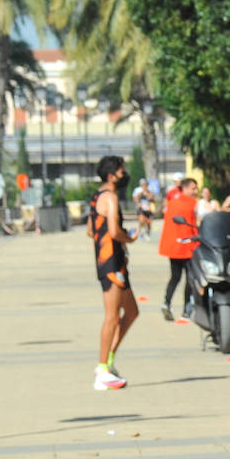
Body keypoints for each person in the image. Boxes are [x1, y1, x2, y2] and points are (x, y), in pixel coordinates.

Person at [89, 155, 137, 390]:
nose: (123, 174)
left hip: (114, 261)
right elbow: (114, 231)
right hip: (110, 263)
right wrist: (129, 238)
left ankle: (108, 360)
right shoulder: (110, 197)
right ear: (111, 175)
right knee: (112, 316)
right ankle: (102, 369)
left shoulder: (97, 196)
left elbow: (91, 230)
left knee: (132, 311)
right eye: (121, 171)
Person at [158, 177, 200, 321]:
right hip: (188, 246)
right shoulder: (193, 204)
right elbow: (195, 224)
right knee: (189, 279)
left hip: (174, 247)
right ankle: (186, 309)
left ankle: (166, 303)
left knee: (175, 277)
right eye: (193, 188)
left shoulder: (173, 202)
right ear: (186, 188)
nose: (196, 191)